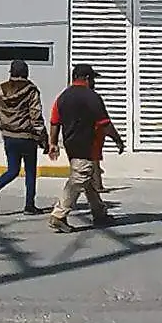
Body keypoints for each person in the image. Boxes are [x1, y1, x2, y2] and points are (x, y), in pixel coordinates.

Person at [46, 64, 126, 233]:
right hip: (86, 144)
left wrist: (53, 143)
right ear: (87, 78)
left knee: (87, 179)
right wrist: (118, 140)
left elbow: (54, 121)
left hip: (70, 144)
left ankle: (99, 213)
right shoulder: (92, 97)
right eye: (93, 79)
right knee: (79, 178)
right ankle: (59, 215)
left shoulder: (63, 97)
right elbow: (105, 123)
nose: (94, 82)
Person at [0, 59, 48, 215]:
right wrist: (43, 137)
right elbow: (35, 115)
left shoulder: (1, 89)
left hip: (9, 135)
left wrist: (3, 127)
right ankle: (29, 206)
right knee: (30, 172)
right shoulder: (31, 90)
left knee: (13, 170)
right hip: (27, 136)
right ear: (26, 73)